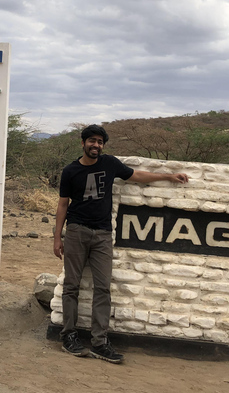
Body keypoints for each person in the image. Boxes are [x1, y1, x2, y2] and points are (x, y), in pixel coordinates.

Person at [53, 124, 189, 364]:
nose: (96, 145)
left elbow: (136, 176)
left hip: (103, 234)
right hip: (76, 232)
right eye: (92, 141)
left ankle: (99, 342)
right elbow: (63, 204)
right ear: (82, 143)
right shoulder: (70, 171)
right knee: (71, 286)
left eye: (100, 142)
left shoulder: (110, 164)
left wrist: (168, 176)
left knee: (103, 288)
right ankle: (69, 336)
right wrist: (57, 237)